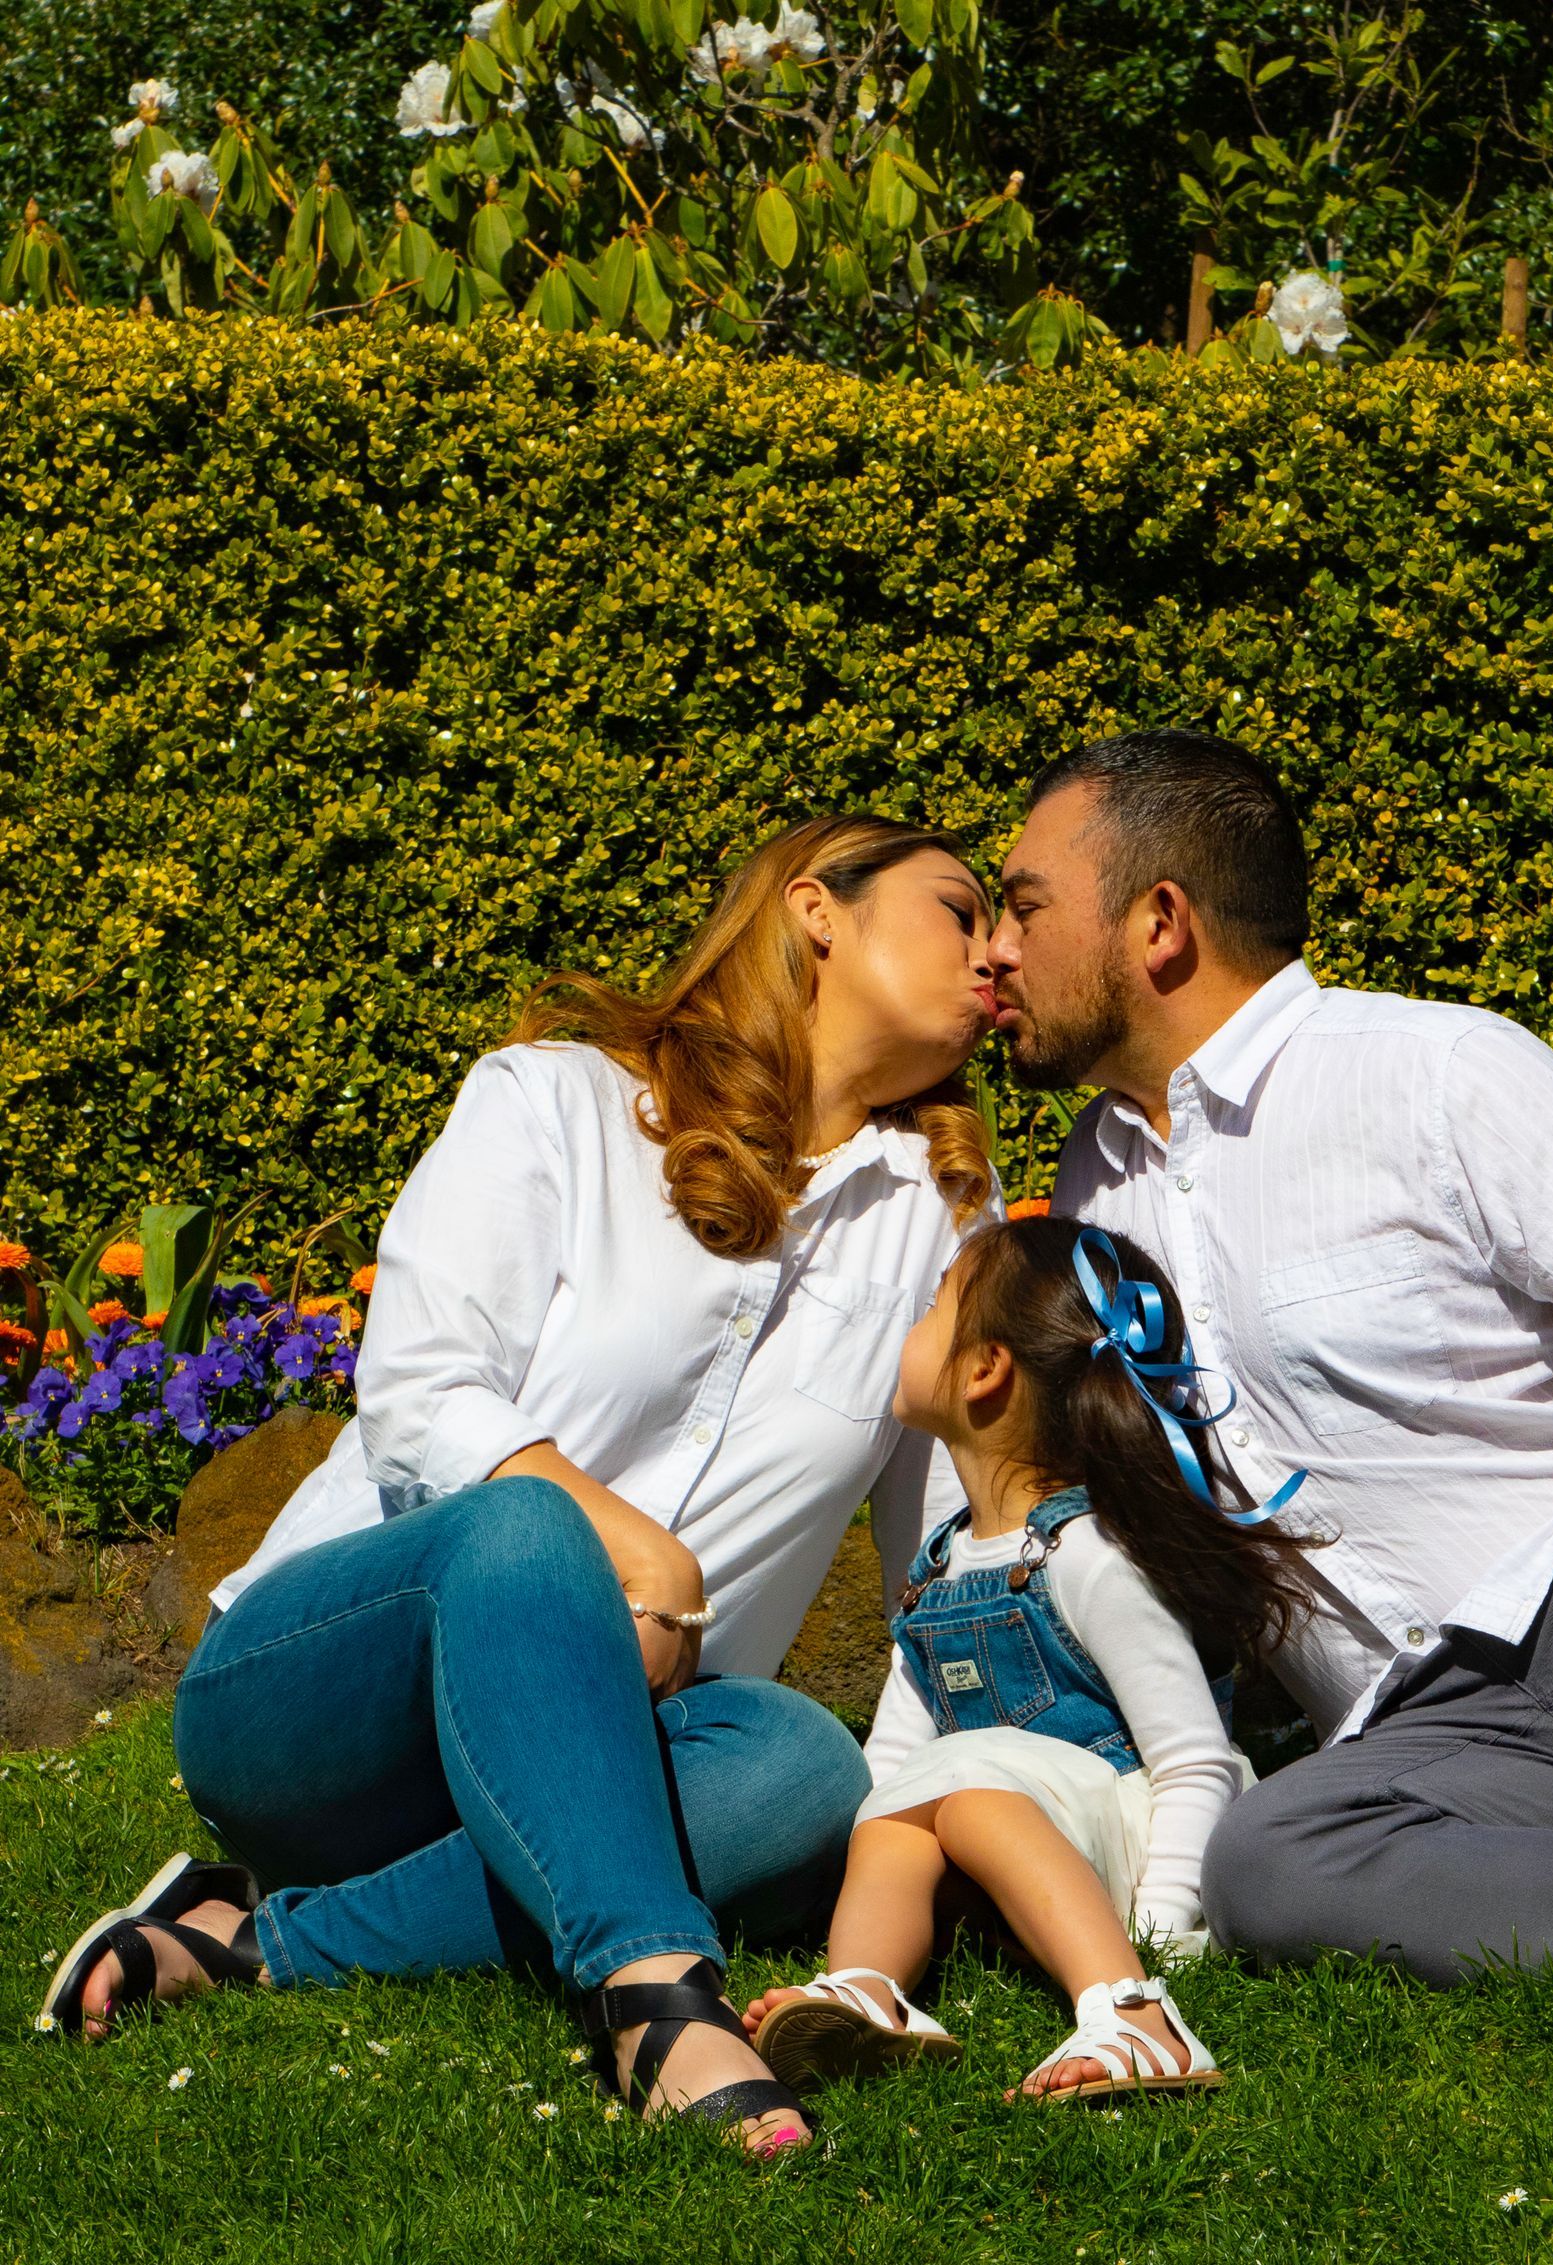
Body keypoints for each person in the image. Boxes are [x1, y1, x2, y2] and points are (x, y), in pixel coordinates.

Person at [987, 726, 1553, 2151]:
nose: (997, 949)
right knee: (1268, 1863)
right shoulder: (1087, 1192)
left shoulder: (1429, 1072)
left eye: (1024, 902)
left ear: (1158, 923)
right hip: (1439, 1736)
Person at [37, 814, 1005, 2159]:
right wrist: (637, 1555)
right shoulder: (558, 1099)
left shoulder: (945, 1219)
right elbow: (426, 1390)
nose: (995, 950)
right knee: (515, 1523)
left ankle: (250, 1938)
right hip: (324, 1701)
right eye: (961, 907)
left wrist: (976, 1798)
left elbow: (948, 1552)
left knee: (797, 1768)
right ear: (817, 909)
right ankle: (655, 1992)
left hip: (603, 1742)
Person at [742, 1214, 1309, 2103]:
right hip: (1007, 1855)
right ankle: (865, 1987)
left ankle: (1136, 2014)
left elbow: (1195, 1761)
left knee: (964, 1795)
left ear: (983, 1370)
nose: (912, 1327)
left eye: (933, 1309)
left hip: (1129, 1853)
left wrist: (1156, 1924)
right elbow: (889, 1770)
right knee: (900, 1805)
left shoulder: (1087, 1555)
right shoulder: (938, 1568)